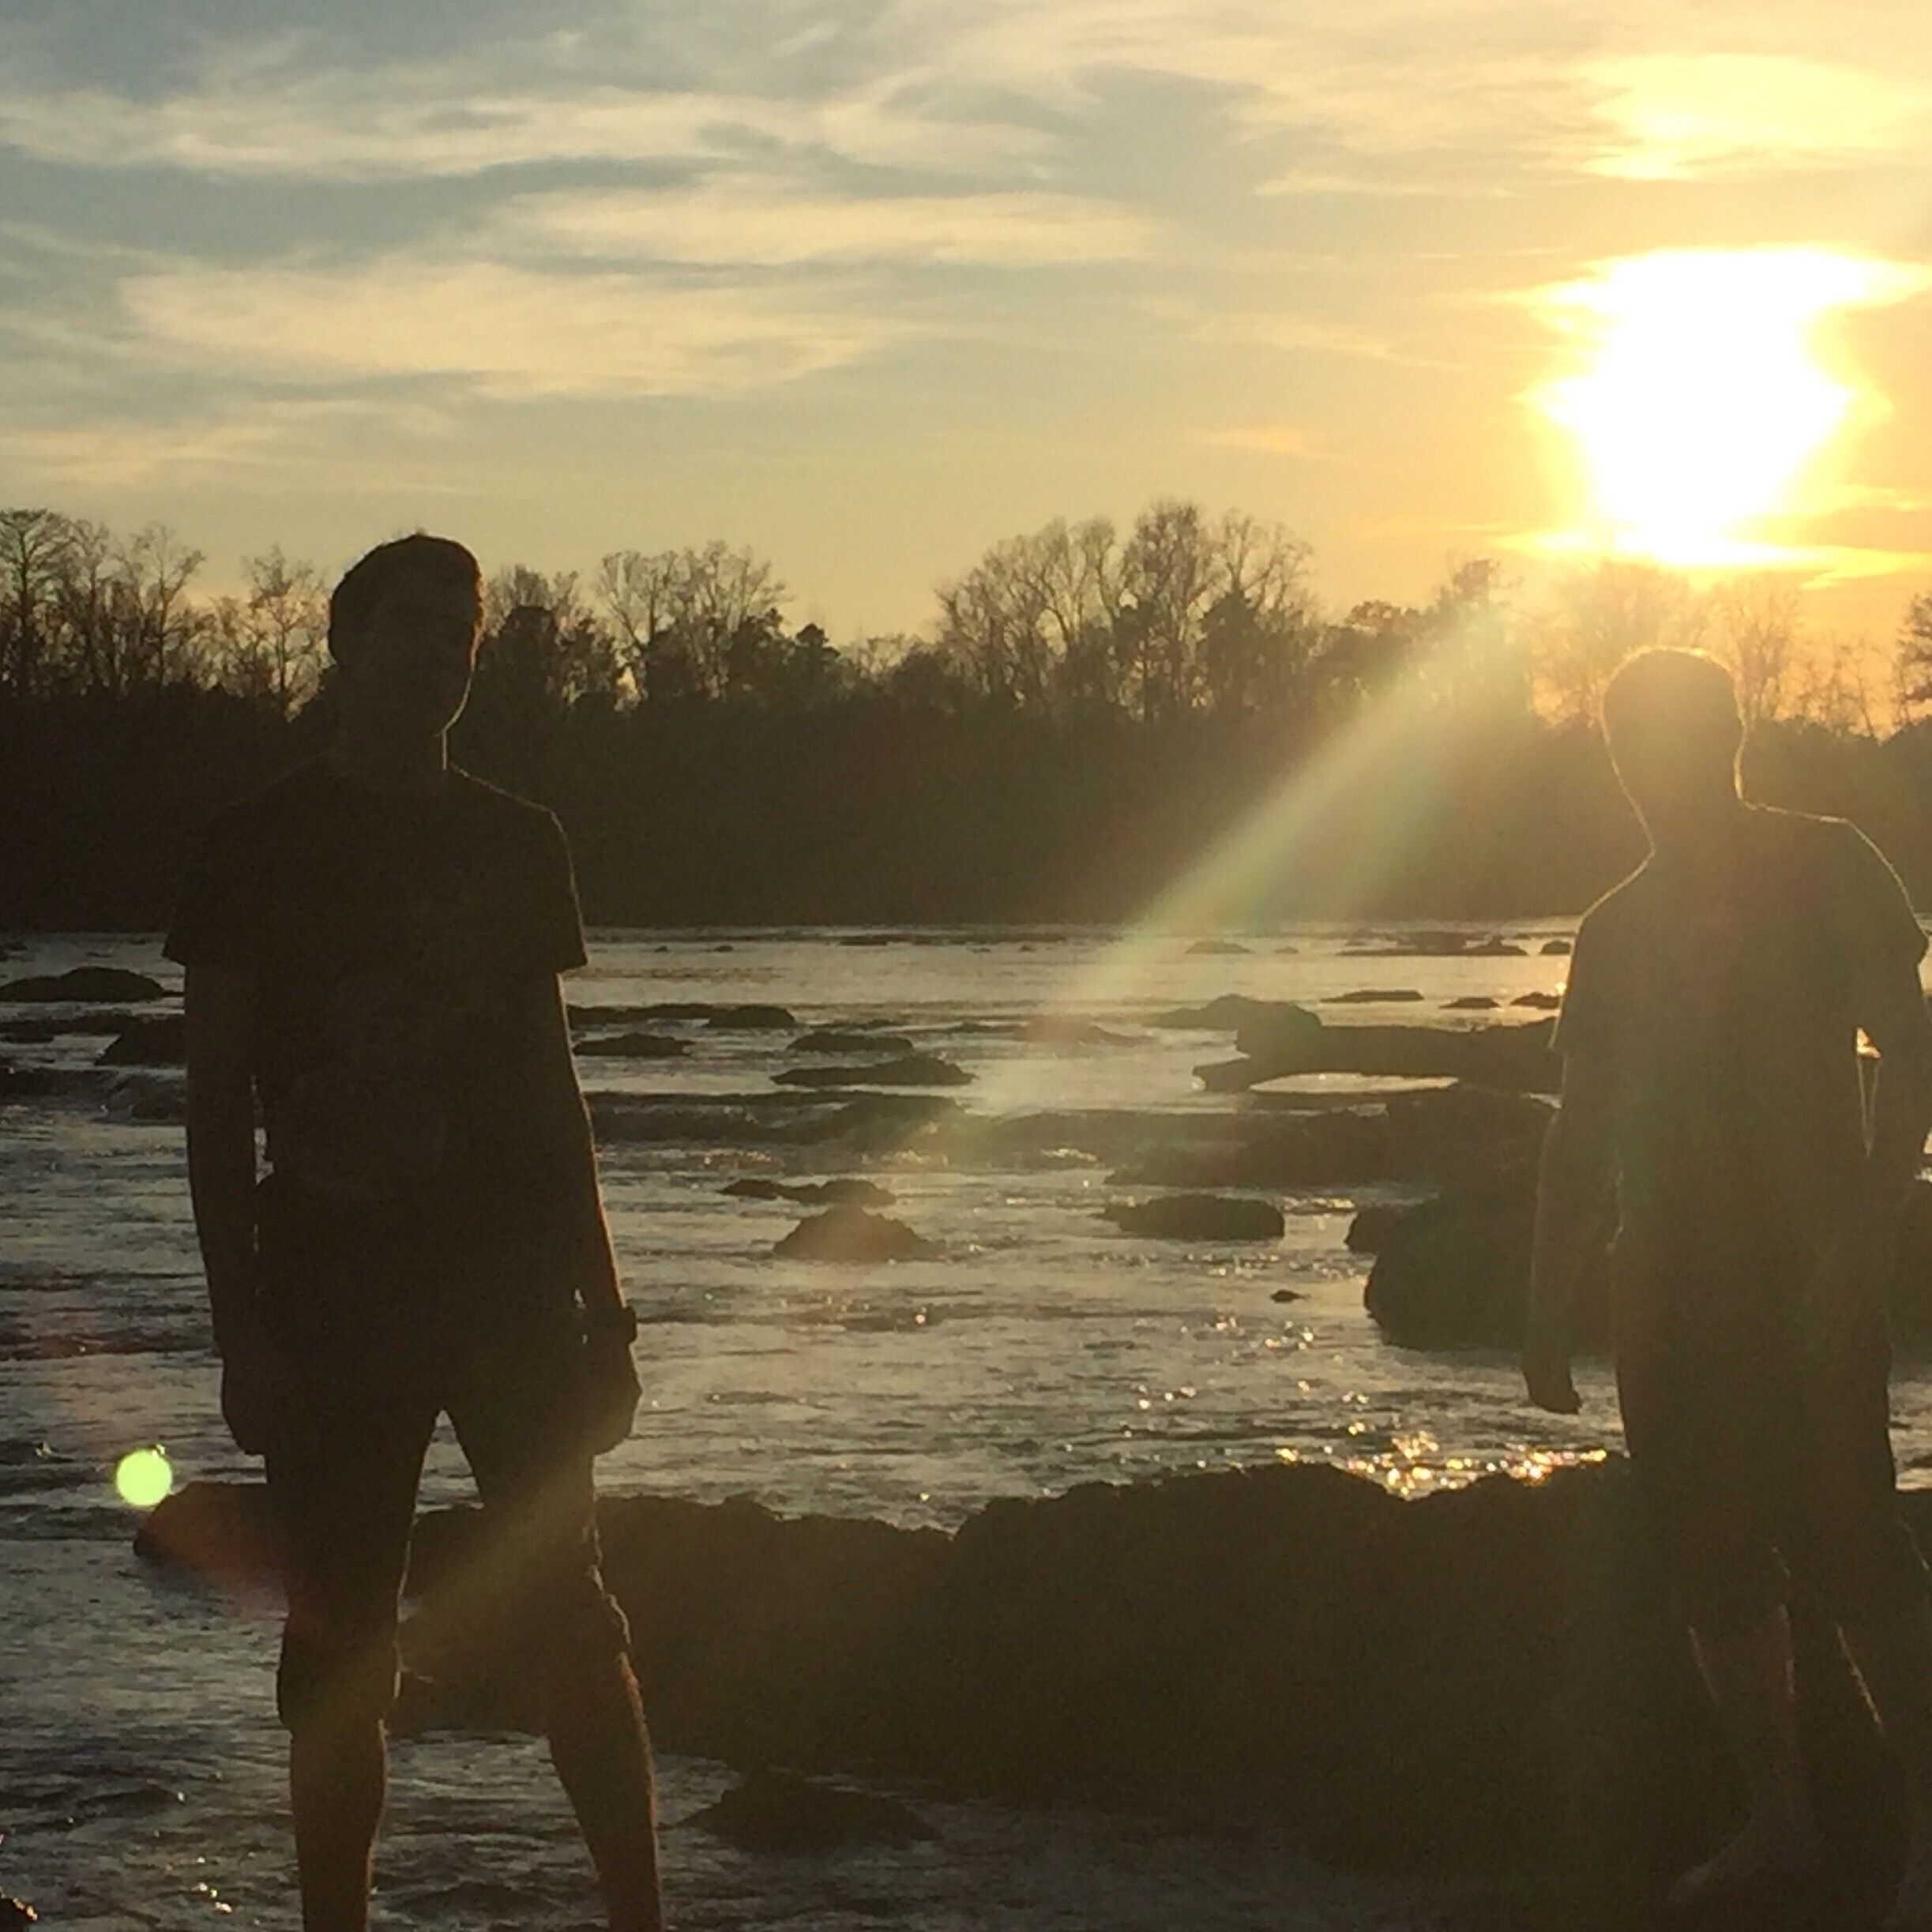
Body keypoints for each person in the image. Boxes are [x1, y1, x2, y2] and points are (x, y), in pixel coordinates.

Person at [167, 533, 663, 1932]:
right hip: (330, 1298)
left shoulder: (516, 841)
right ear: (341, 642)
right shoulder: (253, 847)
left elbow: (550, 1087)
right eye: (413, 627)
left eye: (462, 635)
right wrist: (240, 1332)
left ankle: (645, 1918)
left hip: (510, 1299)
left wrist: (608, 1312)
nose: (441, 655)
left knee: (575, 1623)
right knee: (337, 1657)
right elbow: (212, 1107)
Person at [1525, 646, 1932, 1919]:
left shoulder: (1826, 862)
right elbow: (1581, 1125)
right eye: (1630, 748)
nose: (1653, 772)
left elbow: (1909, 1045)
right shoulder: (1614, 925)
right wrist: (1544, 1310)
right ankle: (1781, 1819)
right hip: (1664, 1292)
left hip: (1803, 1276)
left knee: (1857, 1551)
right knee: (1711, 1569)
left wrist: (1868, 1233)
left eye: (1675, 743)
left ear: (1729, 739)